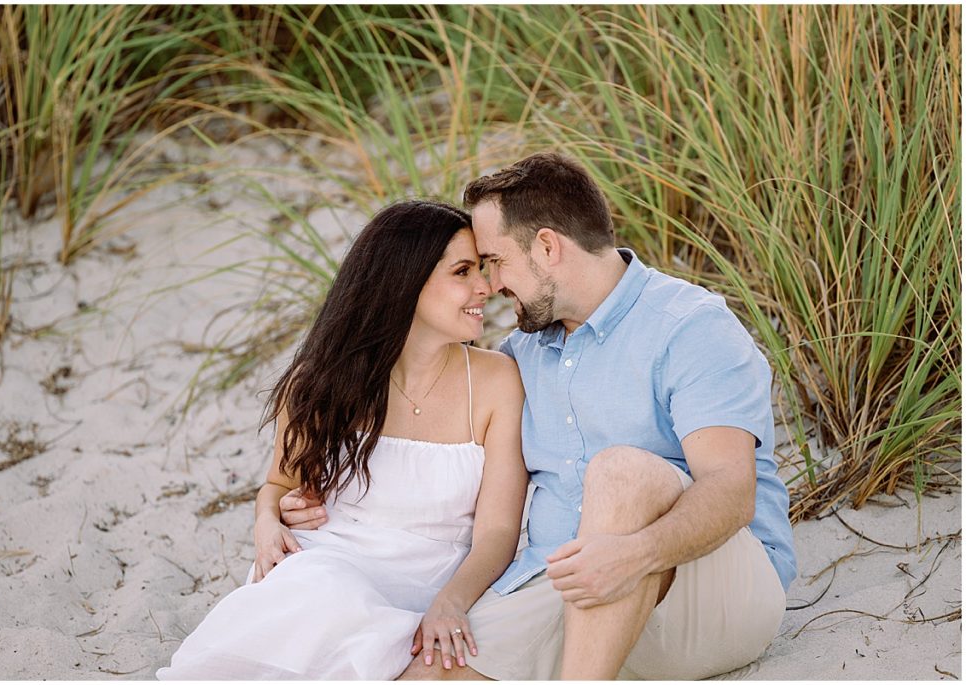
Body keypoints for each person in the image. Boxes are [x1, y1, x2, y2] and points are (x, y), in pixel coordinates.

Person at [282, 153, 797, 680]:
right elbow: (422, 427)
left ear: (547, 246)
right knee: (432, 668)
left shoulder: (689, 327)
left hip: (706, 588)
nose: (491, 284)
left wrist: (636, 554)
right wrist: (282, 497)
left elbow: (731, 492)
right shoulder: (518, 357)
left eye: (495, 261)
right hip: (557, 587)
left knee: (622, 471)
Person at [157, 200, 529, 680]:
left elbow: (498, 532)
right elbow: (277, 485)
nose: (485, 287)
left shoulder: (497, 382)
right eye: (463, 271)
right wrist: (267, 523)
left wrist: (451, 603)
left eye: (481, 269)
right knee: (321, 586)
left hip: (433, 586)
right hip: (324, 567)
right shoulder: (321, 381)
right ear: (404, 282)